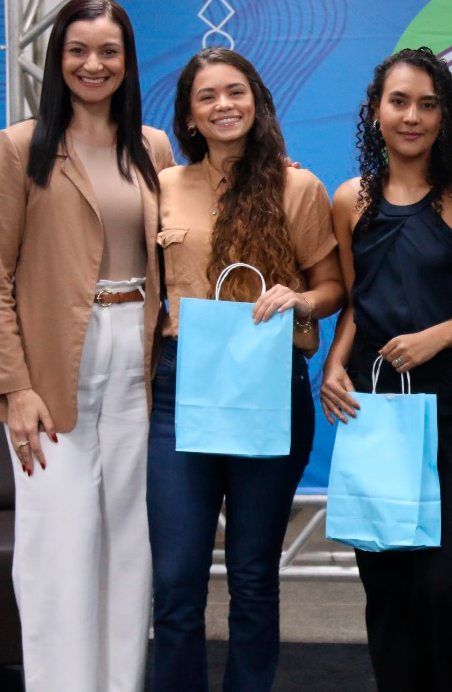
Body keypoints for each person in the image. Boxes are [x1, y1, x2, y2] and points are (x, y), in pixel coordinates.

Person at [0, 0, 174, 691]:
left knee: (127, 550)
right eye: (79, 50)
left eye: (108, 50)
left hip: (136, 364)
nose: (94, 63)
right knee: (58, 550)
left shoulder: (152, 147)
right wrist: (14, 386)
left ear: (128, 60)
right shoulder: (20, 146)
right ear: (57, 59)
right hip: (52, 367)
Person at [319, 47, 452, 691]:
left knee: (446, 577)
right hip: (375, 406)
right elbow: (359, 301)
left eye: (427, 105)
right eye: (399, 102)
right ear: (375, 112)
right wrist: (333, 361)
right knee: (386, 579)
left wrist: (441, 335)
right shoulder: (350, 199)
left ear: (446, 117)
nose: (412, 117)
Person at [146, 47, 345, 691]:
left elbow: (333, 286)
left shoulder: (299, 187)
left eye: (235, 92)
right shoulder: (163, 188)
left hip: (269, 383)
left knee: (254, 574)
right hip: (179, 386)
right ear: (189, 117)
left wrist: (302, 300)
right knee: (176, 578)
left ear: (256, 103)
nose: (223, 105)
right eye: (207, 97)